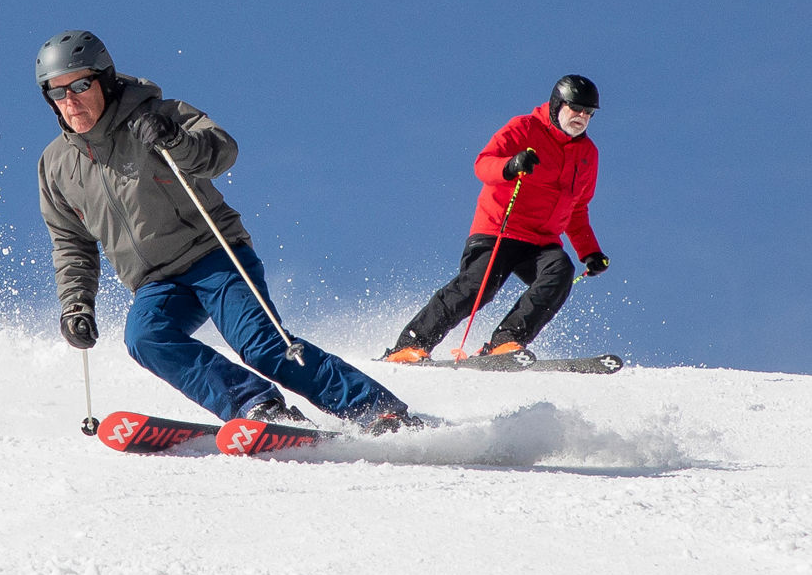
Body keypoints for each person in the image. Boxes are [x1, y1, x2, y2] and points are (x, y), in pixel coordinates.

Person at [31, 30, 419, 433]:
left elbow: (221, 149)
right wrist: (77, 305)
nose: (70, 100)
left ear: (105, 79)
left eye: (80, 84)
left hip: (214, 256)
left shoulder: (155, 115)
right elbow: (71, 244)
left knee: (262, 346)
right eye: (57, 92)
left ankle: (375, 408)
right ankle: (257, 406)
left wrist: (175, 138)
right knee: (145, 337)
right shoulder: (56, 166)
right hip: (155, 283)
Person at [383, 75, 611, 363]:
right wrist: (510, 165)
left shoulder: (588, 154)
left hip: (541, 241)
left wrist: (589, 251)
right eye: (575, 108)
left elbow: (577, 209)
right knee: (480, 286)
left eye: (588, 113)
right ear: (557, 104)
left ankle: (507, 340)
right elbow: (483, 163)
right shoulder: (524, 128)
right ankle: (410, 344)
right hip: (499, 229)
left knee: (560, 270)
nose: (581, 116)